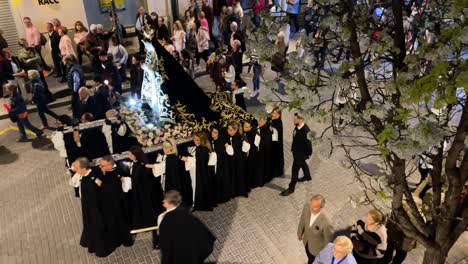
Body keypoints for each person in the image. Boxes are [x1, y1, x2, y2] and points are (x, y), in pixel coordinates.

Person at [158, 190, 216, 263]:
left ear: (170, 203)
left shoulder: (164, 219)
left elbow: (165, 244)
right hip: (191, 252)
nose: (163, 201)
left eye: (165, 201)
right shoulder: (187, 213)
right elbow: (202, 232)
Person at [72, 157, 112, 257]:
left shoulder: (93, 178)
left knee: (98, 229)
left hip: (96, 210)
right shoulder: (83, 175)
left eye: (76, 168)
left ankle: (102, 249)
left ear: (83, 168)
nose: (75, 170)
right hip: (87, 208)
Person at [98, 155, 133, 249]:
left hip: (118, 203)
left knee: (122, 222)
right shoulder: (107, 171)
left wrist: (100, 183)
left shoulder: (118, 173)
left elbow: (112, 189)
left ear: (110, 165)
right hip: (111, 203)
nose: (101, 167)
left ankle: (127, 241)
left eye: (102, 166)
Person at [126, 145, 160, 230]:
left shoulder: (141, 164)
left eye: (130, 155)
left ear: (136, 155)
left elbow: (140, 179)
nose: (129, 156)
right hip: (139, 190)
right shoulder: (136, 162)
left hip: (143, 191)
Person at [181, 132, 216, 211]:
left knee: (196, 186)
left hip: (199, 172)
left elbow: (195, 161)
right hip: (197, 171)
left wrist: (183, 158)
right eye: (194, 139)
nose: (194, 141)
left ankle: (196, 203)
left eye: (197, 140)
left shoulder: (203, 149)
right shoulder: (200, 148)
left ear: (202, 140)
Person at [281, 113, 312, 196]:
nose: (293, 120)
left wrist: (307, 154)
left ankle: (291, 188)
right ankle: (307, 176)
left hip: (300, 154)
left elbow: (309, 144)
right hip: (296, 152)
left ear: (301, 119)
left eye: (295, 119)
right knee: (303, 164)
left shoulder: (306, 131)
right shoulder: (297, 127)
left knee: (294, 171)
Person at [297, 194, 334, 264]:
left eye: (315, 207)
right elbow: (302, 219)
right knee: (309, 257)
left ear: (321, 207)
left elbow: (328, 242)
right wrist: (300, 232)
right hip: (306, 242)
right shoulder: (307, 206)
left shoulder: (327, 222)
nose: (311, 208)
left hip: (316, 251)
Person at [225, 121, 249, 198]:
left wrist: (227, 146)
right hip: (234, 160)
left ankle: (241, 191)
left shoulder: (239, 138)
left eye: (230, 130)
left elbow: (232, 151)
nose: (228, 131)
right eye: (228, 129)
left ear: (235, 130)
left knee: (239, 175)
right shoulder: (230, 136)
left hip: (238, 160)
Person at [210, 126, 231, 203]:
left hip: (221, 165)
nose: (213, 133)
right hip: (215, 163)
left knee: (220, 179)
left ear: (218, 134)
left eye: (215, 132)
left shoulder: (221, 141)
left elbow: (222, 154)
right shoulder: (212, 140)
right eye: (212, 131)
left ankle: (222, 197)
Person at [255, 115, 274, 185]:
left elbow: (266, 143)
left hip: (263, 153)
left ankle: (262, 180)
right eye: (259, 120)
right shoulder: (260, 128)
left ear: (265, 122)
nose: (259, 122)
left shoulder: (267, 131)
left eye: (261, 121)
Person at [243, 120, 261, 189]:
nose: (244, 128)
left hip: (251, 155)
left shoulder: (252, 134)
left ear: (250, 128)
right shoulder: (247, 132)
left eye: (246, 127)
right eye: (244, 126)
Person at [270, 107, 284, 177]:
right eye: (274, 113)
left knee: (277, 157)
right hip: (272, 143)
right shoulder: (271, 120)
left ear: (279, 115)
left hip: (277, 144)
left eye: (277, 113)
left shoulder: (278, 122)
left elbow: (276, 129)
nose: (275, 115)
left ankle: (278, 171)